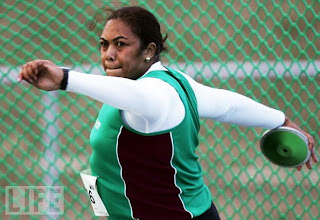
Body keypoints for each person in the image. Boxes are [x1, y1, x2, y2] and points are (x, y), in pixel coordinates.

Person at [18, 6, 318, 220]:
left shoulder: (156, 94)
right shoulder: (173, 81)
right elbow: (227, 104)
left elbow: (137, 97)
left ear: (148, 50)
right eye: (104, 44)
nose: (109, 54)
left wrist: (65, 79)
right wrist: (281, 120)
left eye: (121, 45)